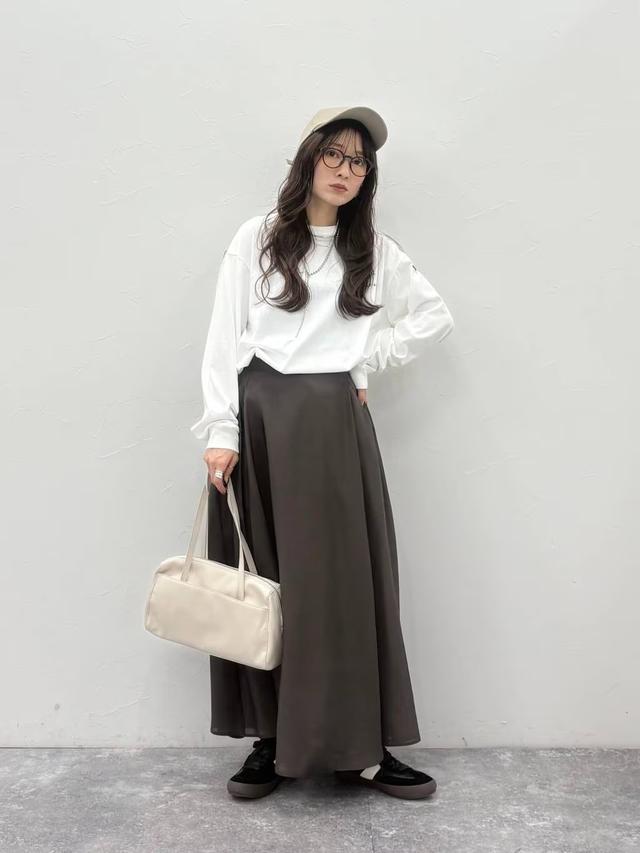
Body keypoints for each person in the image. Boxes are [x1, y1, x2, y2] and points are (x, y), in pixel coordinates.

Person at [190, 105, 455, 800]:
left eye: (358, 161)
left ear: (368, 177)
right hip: (263, 419)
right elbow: (224, 336)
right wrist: (221, 431)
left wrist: (363, 359)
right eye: (334, 154)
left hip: (335, 425)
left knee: (344, 588)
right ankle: (270, 740)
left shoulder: (373, 250)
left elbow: (433, 316)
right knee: (267, 583)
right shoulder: (257, 236)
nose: (345, 169)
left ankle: (360, 749)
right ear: (309, 159)